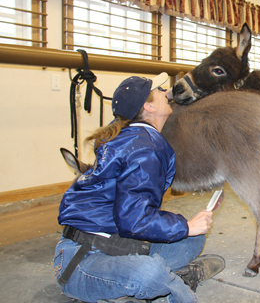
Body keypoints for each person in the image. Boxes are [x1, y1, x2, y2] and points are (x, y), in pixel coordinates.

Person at [54, 73, 225, 303]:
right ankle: (175, 287)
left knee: (192, 238)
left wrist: (187, 227)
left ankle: (146, 287)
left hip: (117, 244)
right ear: (148, 106)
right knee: (149, 273)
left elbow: (134, 212)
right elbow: (134, 220)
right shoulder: (143, 147)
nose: (167, 93)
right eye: (160, 90)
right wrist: (186, 225)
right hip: (82, 262)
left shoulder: (138, 139)